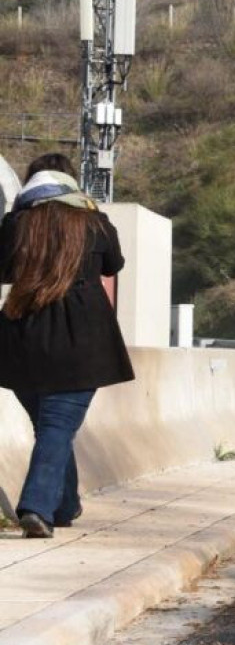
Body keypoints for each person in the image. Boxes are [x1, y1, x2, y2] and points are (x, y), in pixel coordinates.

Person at [0, 154, 134, 538]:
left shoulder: (17, 223)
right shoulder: (94, 221)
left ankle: (64, 504)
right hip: (82, 338)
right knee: (57, 426)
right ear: (72, 182)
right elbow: (114, 264)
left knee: (51, 426)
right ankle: (37, 508)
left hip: (22, 335)